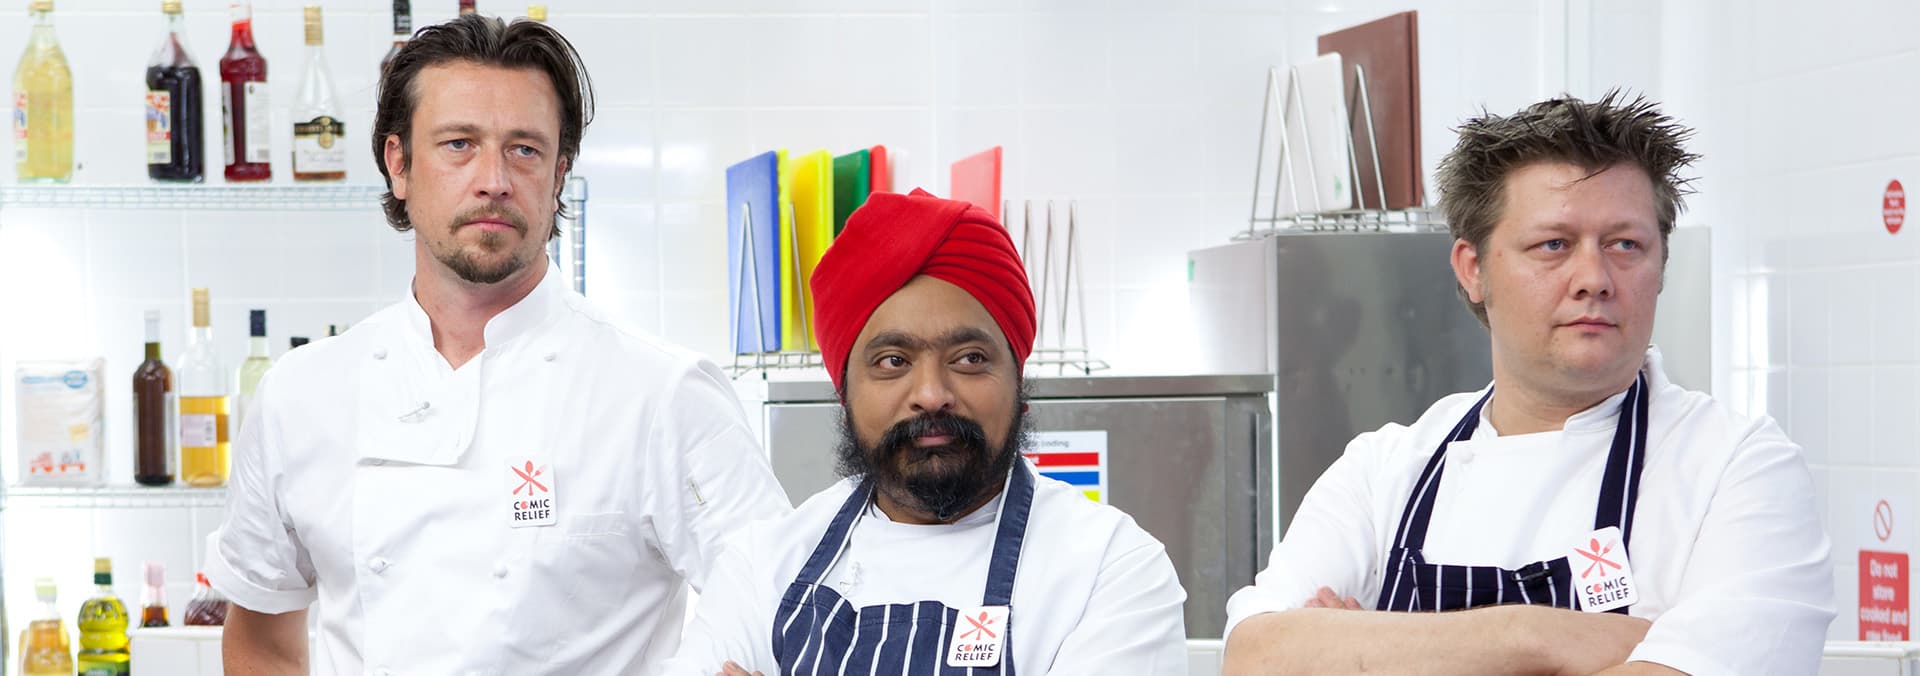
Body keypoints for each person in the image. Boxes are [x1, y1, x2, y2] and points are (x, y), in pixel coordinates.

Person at [204, 15, 791, 674]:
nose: (494, 179)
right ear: (399, 164)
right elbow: (261, 640)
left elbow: (779, 607)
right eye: (458, 144)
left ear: (559, 174)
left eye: (525, 149)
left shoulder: (664, 395)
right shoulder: (301, 395)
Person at [1221, 91, 1834, 675]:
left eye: (1625, 244)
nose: (1594, 277)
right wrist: (1539, 636)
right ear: (1473, 269)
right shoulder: (1382, 472)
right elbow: (1256, 658)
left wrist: (1378, 652)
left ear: (1661, 264)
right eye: (1553, 245)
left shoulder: (1738, 467)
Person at [661, 189, 1189, 675]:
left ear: (1018, 381)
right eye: (893, 361)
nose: (932, 393)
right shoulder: (764, 565)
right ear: (845, 394)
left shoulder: (1110, 567)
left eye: (970, 357)